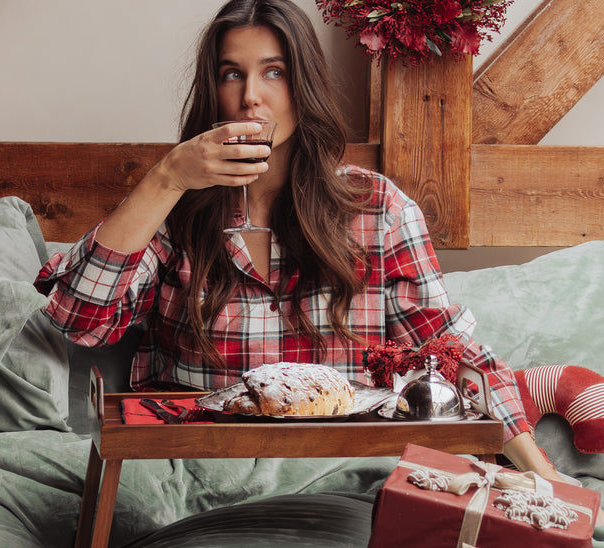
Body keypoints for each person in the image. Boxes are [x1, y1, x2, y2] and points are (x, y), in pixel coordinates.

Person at [35, 0, 564, 482]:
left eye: (273, 72)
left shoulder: (377, 209)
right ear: (212, 89)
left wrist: (544, 474)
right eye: (231, 74)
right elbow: (79, 320)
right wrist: (166, 178)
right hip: (195, 474)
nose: (250, 97)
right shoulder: (176, 212)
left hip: (339, 477)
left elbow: (446, 353)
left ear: (302, 83)